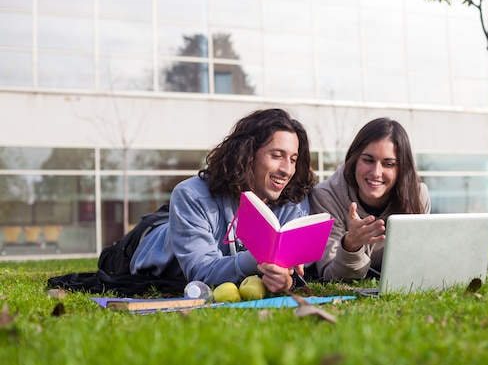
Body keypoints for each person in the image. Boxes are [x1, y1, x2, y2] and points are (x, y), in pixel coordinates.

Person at [129, 108, 317, 293]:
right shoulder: (191, 194)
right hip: (151, 243)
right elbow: (200, 271)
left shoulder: (293, 200)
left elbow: (291, 270)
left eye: (293, 159)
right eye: (276, 156)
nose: (287, 170)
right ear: (247, 153)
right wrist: (262, 257)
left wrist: (287, 281)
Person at [308, 117, 431, 282]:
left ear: (402, 168)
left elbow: (419, 264)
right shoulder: (325, 197)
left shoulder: (418, 195)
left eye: (389, 164)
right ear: (354, 159)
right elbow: (331, 275)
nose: (376, 173)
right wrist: (350, 246)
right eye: (368, 160)